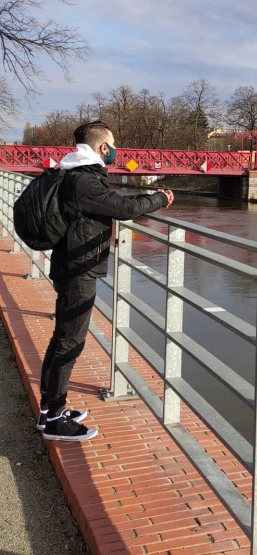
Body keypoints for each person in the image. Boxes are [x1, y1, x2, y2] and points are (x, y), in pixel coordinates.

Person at [38, 121, 174, 442]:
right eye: (114, 145)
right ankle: (54, 418)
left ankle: (51, 409)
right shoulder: (83, 181)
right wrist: (159, 199)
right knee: (70, 341)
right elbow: (124, 208)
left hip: (73, 264)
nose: (116, 151)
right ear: (103, 148)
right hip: (77, 269)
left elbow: (113, 200)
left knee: (64, 338)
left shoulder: (79, 176)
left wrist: (146, 195)